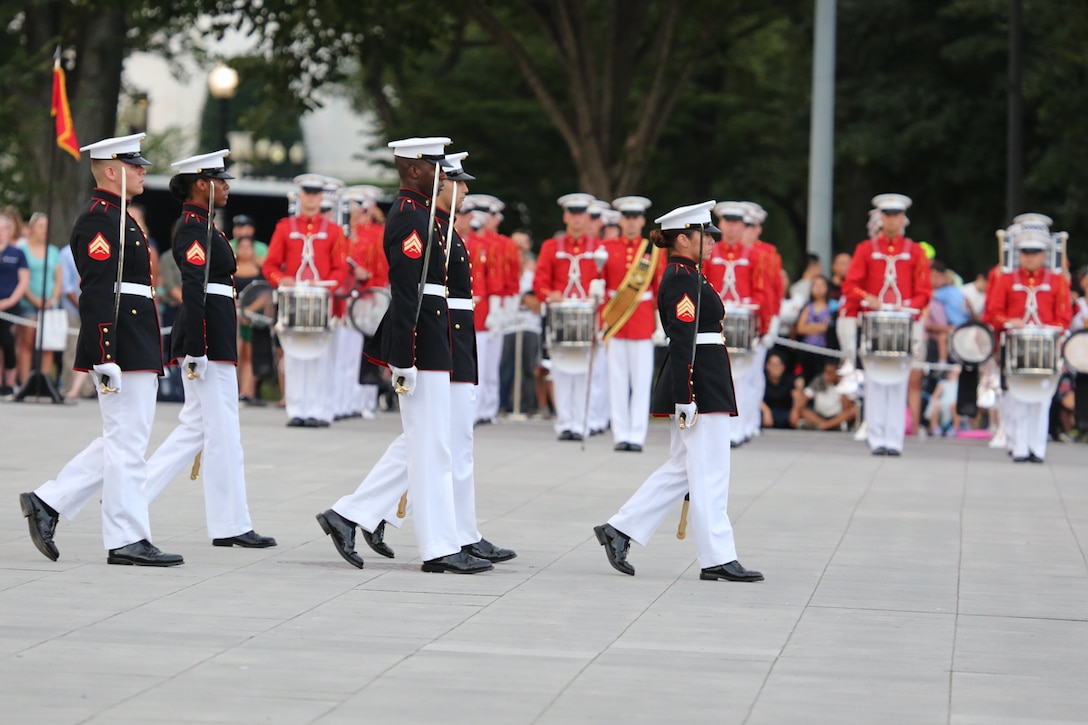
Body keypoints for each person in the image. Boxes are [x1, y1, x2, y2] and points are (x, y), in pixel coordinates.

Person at [316, 137, 493, 574]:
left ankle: (353, 514)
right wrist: (404, 356)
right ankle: (437, 547)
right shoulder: (411, 215)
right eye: (437, 165)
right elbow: (406, 290)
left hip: (437, 337)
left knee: (429, 442)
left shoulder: (425, 215)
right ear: (415, 169)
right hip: (425, 340)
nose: (448, 176)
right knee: (430, 446)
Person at [19, 133, 183, 566]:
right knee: (126, 443)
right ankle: (126, 538)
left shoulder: (120, 216)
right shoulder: (98, 219)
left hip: (136, 338)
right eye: (135, 165)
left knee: (125, 439)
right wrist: (103, 352)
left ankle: (48, 501)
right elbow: (95, 291)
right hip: (121, 343)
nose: (143, 170)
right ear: (111, 171)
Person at [594, 201, 762, 583]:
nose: (713, 243)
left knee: (684, 469)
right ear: (683, 239)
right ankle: (717, 557)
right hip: (701, 380)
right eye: (706, 236)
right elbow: (683, 338)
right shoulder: (683, 277)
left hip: (703, 376)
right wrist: (687, 396)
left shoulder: (689, 273)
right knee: (710, 472)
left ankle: (620, 529)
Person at [142, 150, 277, 548]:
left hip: (213, 334)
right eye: (221, 179)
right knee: (223, 433)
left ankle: (131, 497)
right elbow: (194, 290)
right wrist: (199, 349)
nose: (227, 186)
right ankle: (232, 524)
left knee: (197, 430)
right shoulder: (191, 226)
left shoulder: (205, 225)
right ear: (201, 184)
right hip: (206, 339)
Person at [842, 193, 932, 456]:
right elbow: (850, 286)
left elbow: (924, 291)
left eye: (897, 215)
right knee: (875, 381)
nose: (892, 219)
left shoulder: (915, 251)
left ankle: (894, 439)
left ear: (903, 218)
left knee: (899, 381)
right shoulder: (865, 249)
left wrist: (909, 304)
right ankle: (877, 436)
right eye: (888, 214)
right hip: (874, 322)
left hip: (903, 322)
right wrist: (868, 298)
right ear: (881, 218)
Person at [262, 173, 349, 427]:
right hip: (293, 301)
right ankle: (297, 409)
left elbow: (340, 269)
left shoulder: (333, 231)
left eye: (315, 194)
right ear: (299, 196)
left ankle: (320, 411)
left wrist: (324, 285)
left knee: (321, 358)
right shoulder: (285, 227)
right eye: (307, 193)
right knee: (294, 355)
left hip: (321, 301)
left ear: (322, 197)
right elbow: (270, 265)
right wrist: (282, 280)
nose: (311, 199)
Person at [983, 215, 1071, 462]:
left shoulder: (1057, 281)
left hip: (1045, 347)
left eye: (1035, 252)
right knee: (1018, 398)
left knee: (1042, 400)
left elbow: (1065, 315)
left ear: (1044, 255)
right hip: (1016, 346)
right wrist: (1010, 323)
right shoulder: (1007, 279)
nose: (1030, 257)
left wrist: (1051, 328)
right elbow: (993, 313)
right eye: (1025, 252)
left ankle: (1037, 448)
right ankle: (1020, 447)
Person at [533, 193, 607, 441]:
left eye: (581, 214)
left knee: (587, 372)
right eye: (572, 214)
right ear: (566, 216)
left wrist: (599, 297)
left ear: (588, 217)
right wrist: (548, 294)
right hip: (561, 316)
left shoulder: (598, 248)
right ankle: (565, 422)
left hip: (588, 316)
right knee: (561, 370)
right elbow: (539, 280)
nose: (576, 219)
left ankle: (582, 422)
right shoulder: (551, 247)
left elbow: (606, 282)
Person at [600, 195, 661, 452]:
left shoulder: (653, 250)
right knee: (617, 381)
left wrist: (659, 325)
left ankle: (637, 435)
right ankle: (620, 434)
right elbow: (600, 283)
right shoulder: (606, 247)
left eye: (635, 217)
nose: (631, 222)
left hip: (642, 321)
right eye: (627, 217)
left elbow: (658, 290)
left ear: (642, 220)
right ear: (620, 220)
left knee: (641, 381)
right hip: (616, 320)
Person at [15, 212, 63, 386]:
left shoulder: (53, 251)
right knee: (26, 342)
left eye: (47, 227)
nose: (44, 230)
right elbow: (21, 277)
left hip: (50, 303)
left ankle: (44, 384)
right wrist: (33, 299)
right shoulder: (23, 250)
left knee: (48, 344)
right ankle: (25, 382)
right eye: (41, 226)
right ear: (32, 228)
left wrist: (53, 299)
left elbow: (58, 278)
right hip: (29, 302)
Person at [0, 214, 29, 398]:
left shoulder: (17, 253)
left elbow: (23, 281)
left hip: (9, 306)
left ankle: (10, 382)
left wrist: (9, 301)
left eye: (3, 229)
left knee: (8, 342)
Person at [790, 358, 857, 430]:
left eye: (830, 373)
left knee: (853, 411)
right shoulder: (819, 380)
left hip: (837, 416)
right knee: (803, 411)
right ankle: (826, 425)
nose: (826, 375)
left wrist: (842, 386)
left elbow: (846, 407)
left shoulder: (845, 383)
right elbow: (804, 398)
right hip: (819, 416)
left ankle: (825, 426)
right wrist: (795, 410)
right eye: (825, 372)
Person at [795, 275, 834, 383]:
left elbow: (828, 328)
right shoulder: (807, 307)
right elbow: (800, 328)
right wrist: (819, 327)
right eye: (815, 285)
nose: (818, 288)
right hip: (807, 351)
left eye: (822, 285)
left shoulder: (832, 306)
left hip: (825, 352)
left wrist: (810, 325)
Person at [761, 351, 796, 429]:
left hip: (784, 413)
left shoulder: (789, 380)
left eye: (779, 364)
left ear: (783, 367)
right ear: (767, 366)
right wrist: (766, 411)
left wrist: (795, 410)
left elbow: (797, 398)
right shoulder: (761, 380)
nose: (776, 367)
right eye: (773, 365)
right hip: (765, 412)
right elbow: (754, 397)